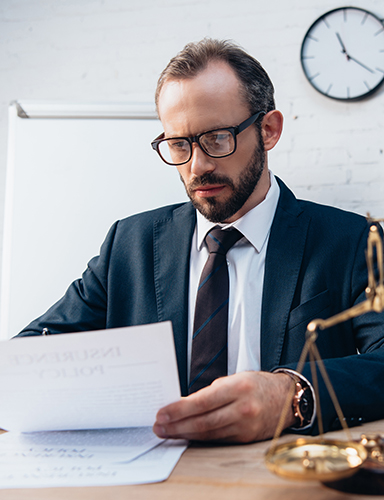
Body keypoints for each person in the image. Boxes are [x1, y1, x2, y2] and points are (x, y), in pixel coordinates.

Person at [18, 39, 384, 443]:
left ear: (268, 130)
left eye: (217, 138)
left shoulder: (351, 242)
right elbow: (31, 355)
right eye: (179, 144)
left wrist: (292, 394)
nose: (198, 166)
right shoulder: (129, 244)